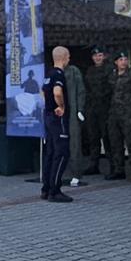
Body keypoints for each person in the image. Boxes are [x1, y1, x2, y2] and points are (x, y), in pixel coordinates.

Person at [105, 52, 131, 183]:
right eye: (121, 60)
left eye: (125, 59)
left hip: (129, 114)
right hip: (114, 114)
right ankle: (119, 170)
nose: (123, 62)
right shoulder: (112, 75)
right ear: (116, 62)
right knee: (115, 143)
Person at [39, 46, 74, 203]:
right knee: (62, 153)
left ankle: (46, 188)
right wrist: (61, 106)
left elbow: (42, 92)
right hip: (58, 118)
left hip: (48, 116)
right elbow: (57, 92)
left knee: (51, 153)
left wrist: (48, 106)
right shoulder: (59, 74)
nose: (69, 59)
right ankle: (55, 190)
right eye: (68, 57)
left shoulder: (48, 73)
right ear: (65, 57)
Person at [80, 47, 111, 176]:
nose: (98, 58)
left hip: (105, 107)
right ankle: (94, 165)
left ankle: (113, 166)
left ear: (104, 56)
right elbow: (86, 88)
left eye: (100, 55)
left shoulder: (109, 69)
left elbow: (111, 88)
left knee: (108, 138)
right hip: (92, 108)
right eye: (95, 56)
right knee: (93, 138)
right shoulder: (90, 70)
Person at [64, 49, 87, 187]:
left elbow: (81, 91)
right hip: (59, 113)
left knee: (74, 143)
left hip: (72, 112)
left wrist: (80, 109)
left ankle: (76, 173)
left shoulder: (73, 71)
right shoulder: (54, 72)